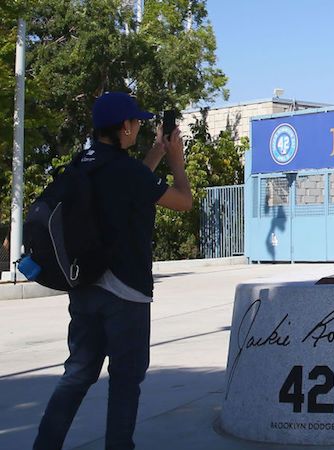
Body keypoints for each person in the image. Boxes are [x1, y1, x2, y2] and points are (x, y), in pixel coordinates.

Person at [33, 92, 192, 450]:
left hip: (85, 286)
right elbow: (183, 202)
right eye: (136, 121)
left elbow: (130, 183)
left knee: (77, 373)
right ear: (124, 127)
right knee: (125, 380)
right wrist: (177, 162)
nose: (137, 126)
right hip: (127, 293)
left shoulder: (83, 163)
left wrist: (157, 153)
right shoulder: (129, 172)